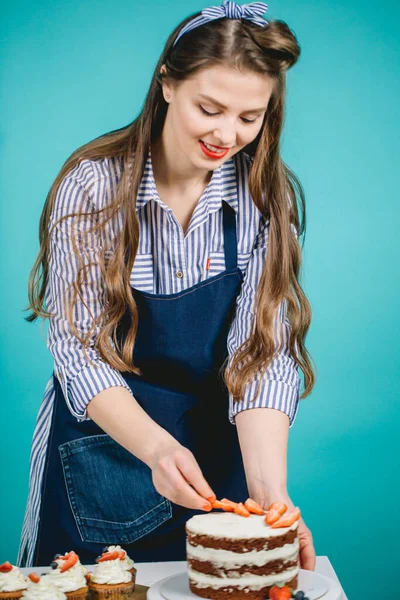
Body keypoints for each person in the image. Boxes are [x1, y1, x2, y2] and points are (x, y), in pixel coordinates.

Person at [18, 0, 316, 571]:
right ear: (167, 84)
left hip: (220, 457)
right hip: (105, 457)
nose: (227, 135)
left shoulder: (266, 201)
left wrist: (270, 491)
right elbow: (78, 351)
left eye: (250, 117)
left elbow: (263, 353)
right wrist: (157, 449)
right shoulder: (92, 188)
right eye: (211, 107)